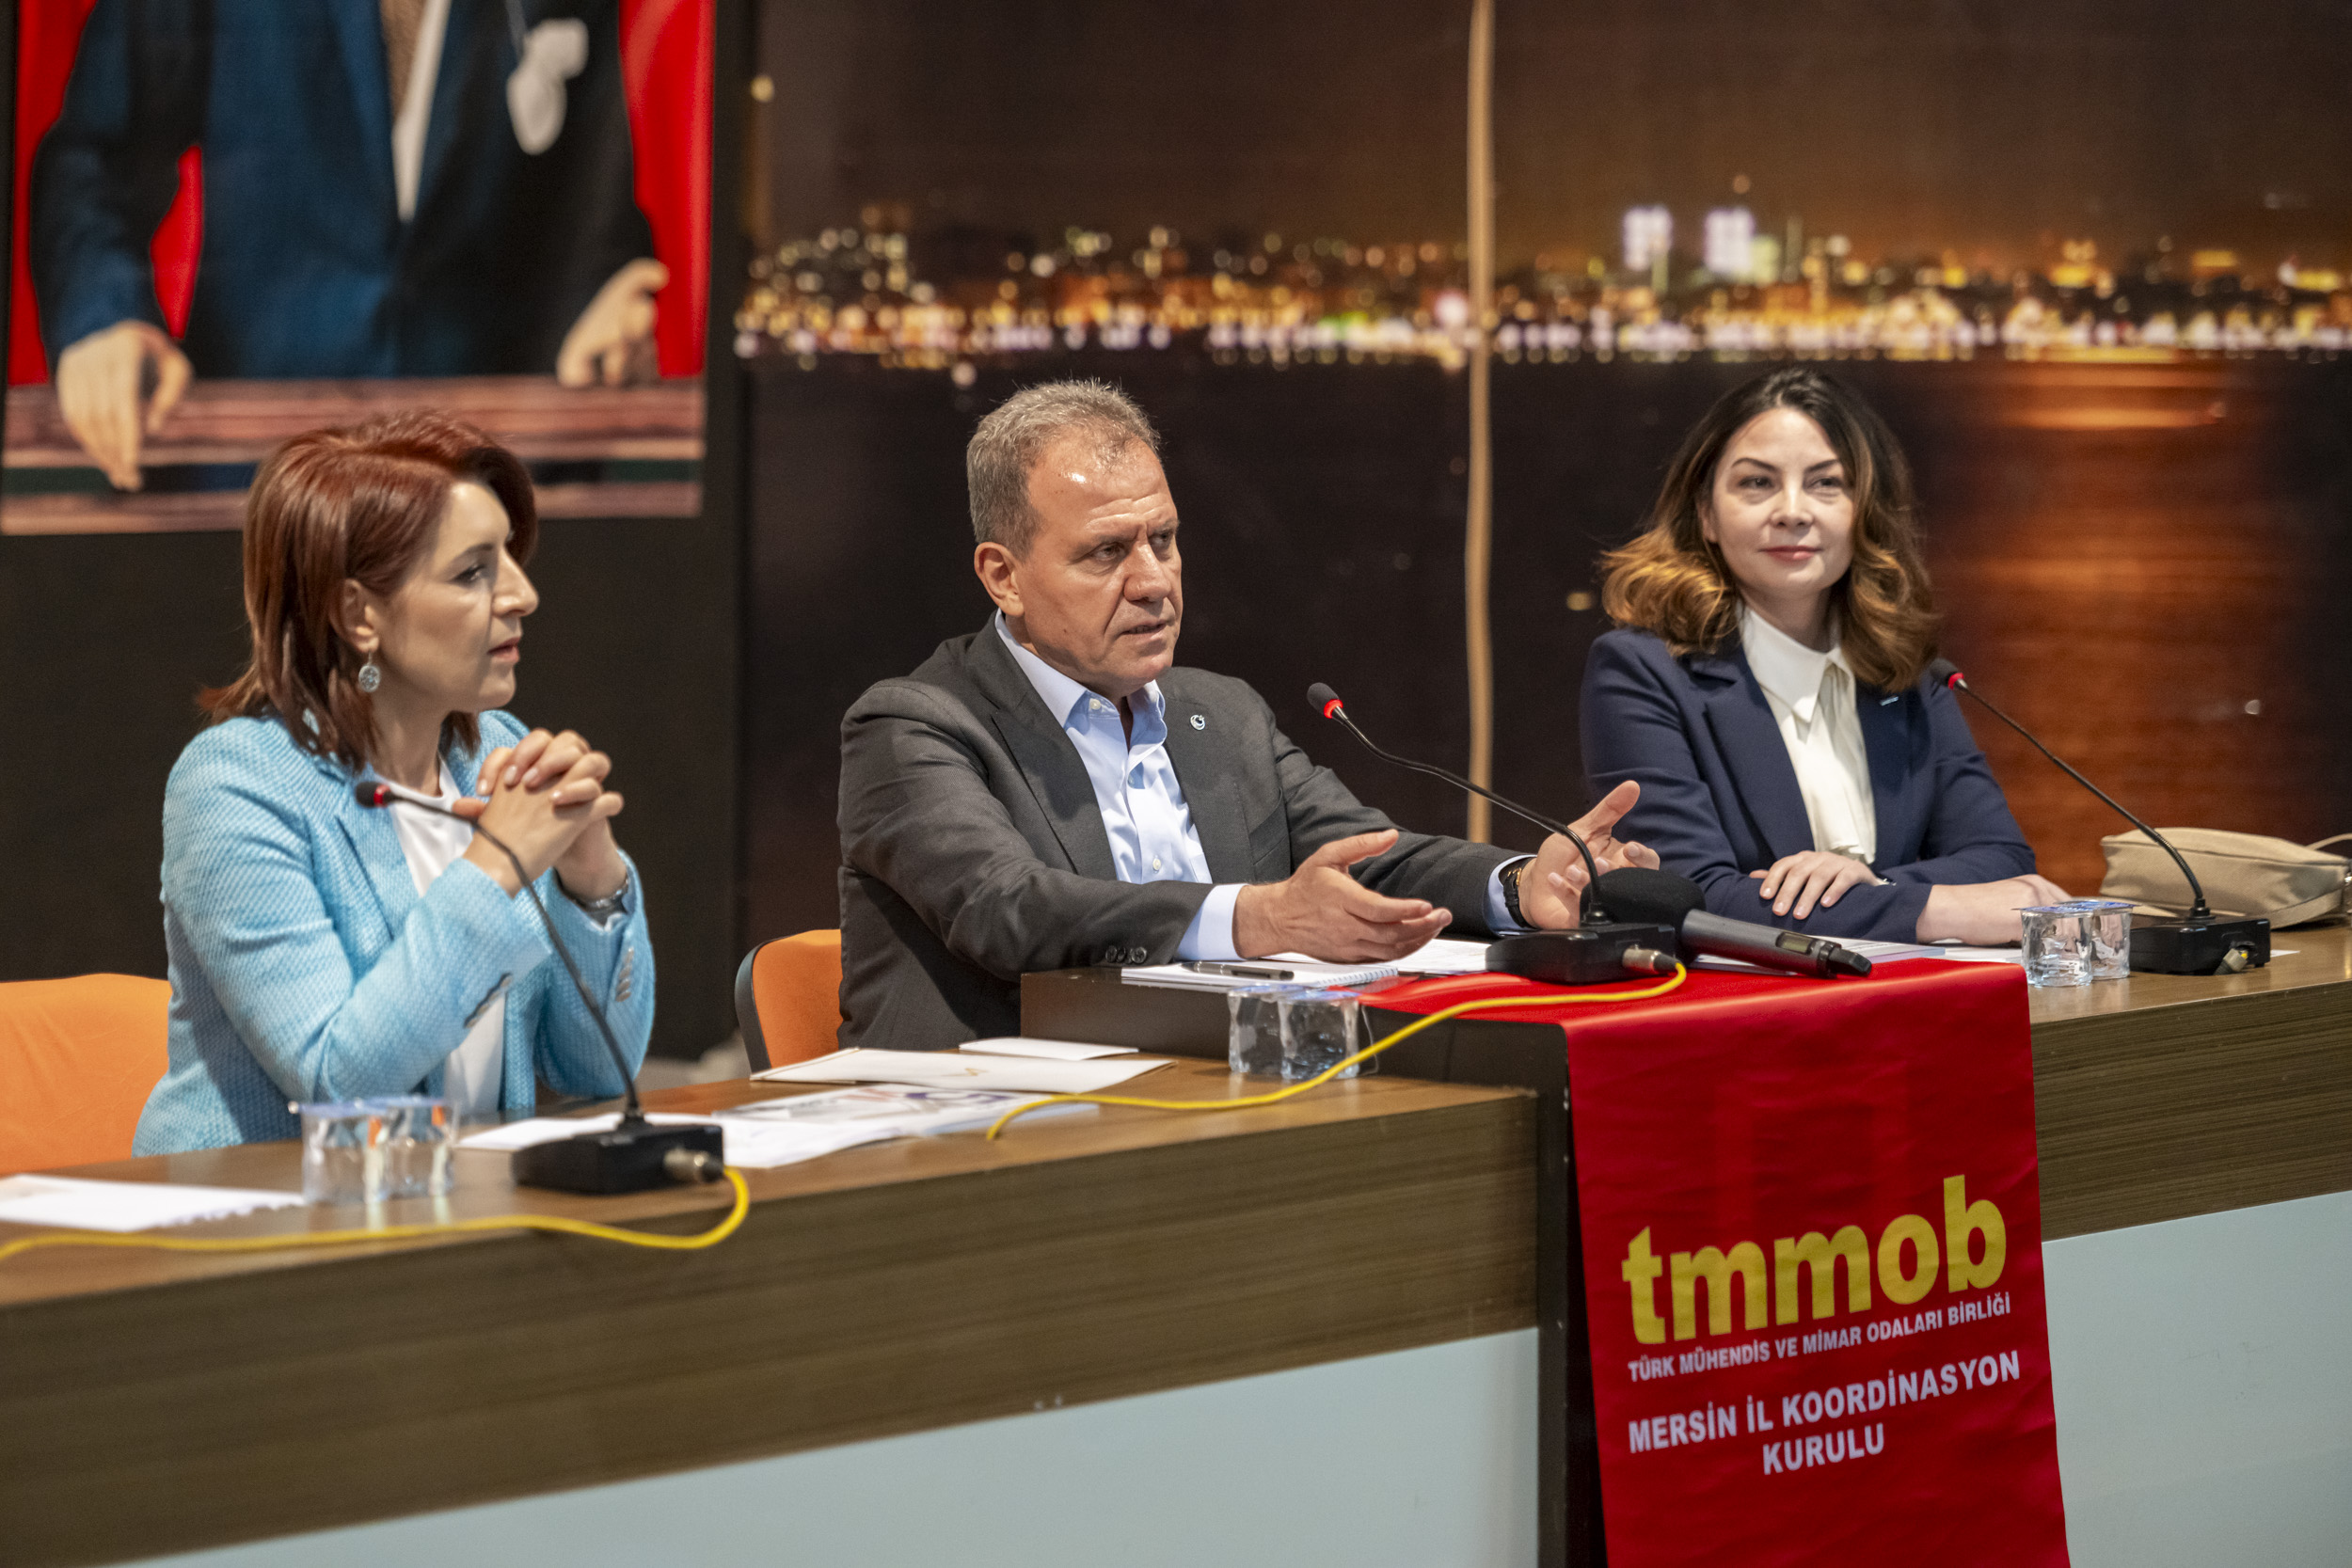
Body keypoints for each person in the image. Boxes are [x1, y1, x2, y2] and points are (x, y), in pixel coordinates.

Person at [837, 380, 1659, 1052]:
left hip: (1223, 1102)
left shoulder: (1221, 713)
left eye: (1164, 540)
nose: (1153, 581)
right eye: (1107, 552)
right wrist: (1258, 918)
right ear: (1003, 576)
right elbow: (1010, 910)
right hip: (998, 1128)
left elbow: (1367, 861)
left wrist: (1521, 883)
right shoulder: (914, 726)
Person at [135, 410, 651, 1155]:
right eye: (473, 572)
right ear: (359, 614)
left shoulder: (499, 752)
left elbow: (597, 1073)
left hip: (459, 1206)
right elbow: (337, 1084)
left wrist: (592, 880)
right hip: (262, 1211)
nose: (522, 594)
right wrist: (494, 868)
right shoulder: (237, 787)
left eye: (509, 556)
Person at [29, 0, 666, 492]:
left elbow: (590, 200)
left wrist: (603, 305)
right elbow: (95, 160)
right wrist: (104, 318)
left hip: (489, 481)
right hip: (252, 479)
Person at [1580, 367, 2065, 945]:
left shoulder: (1907, 670)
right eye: (1756, 483)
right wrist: (1935, 910)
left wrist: (1875, 884)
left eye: (1826, 483)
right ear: (1706, 513)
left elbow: (2002, 858)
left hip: (1903, 991)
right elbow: (1686, 897)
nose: (1793, 511)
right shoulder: (1641, 671)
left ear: (1864, 511)